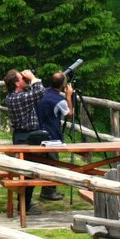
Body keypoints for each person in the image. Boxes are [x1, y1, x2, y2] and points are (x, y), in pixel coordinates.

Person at [3, 68, 57, 212]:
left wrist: (30, 80)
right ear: (16, 84)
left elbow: (37, 92)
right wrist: (33, 78)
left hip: (25, 136)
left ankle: (25, 203)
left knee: (29, 172)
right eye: (22, 78)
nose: (25, 79)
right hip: (26, 138)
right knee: (29, 172)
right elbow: (40, 91)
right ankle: (24, 205)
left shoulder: (17, 96)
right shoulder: (17, 98)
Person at [35, 71, 72, 201]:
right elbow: (69, 114)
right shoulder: (60, 100)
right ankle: (49, 191)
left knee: (42, 163)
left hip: (38, 133)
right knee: (53, 164)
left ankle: (46, 190)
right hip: (53, 137)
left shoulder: (43, 93)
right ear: (63, 84)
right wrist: (68, 96)